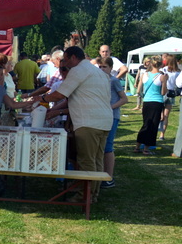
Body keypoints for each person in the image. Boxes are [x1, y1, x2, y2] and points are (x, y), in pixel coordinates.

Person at [42, 46, 112, 203]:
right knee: (97, 160)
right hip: (103, 121)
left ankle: (83, 196)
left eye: (66, 59)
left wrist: (42, 99)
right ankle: (93, 195)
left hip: (89, 122)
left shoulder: (78, 70)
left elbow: (61, 94)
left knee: (86, 162)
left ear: (73, 57)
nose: (65, 63)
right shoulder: (98, 72)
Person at [93, 57, 128, 189]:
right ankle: (101, 175)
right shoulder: (96, 80)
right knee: (100, 146)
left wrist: (109, 107)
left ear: (111, 68)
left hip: (112, 116)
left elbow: (124, 99)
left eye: (104, 67)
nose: (102, 70)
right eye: (100, 67)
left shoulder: (113, 81)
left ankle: (109, 177)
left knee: (108, 146)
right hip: (100, 116)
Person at [133, 56, 167, 155]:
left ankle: (137, 146)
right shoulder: (161, 76)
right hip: (157, 102)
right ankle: (146, 148)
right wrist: (165, 81)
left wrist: (144, 96)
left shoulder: (144, 74)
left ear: (151, 64)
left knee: (145, 124)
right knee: (153, 126)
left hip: (147, 102)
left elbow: (139, 90)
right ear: (161, 65)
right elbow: (163, 92)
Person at [158, 55, 179, 141]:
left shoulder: (163, 70)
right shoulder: (178, 72)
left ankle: (158, 131)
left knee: (160, 114)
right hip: (171, 93)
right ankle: (162, 134)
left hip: (163, 92)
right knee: (166, 115)